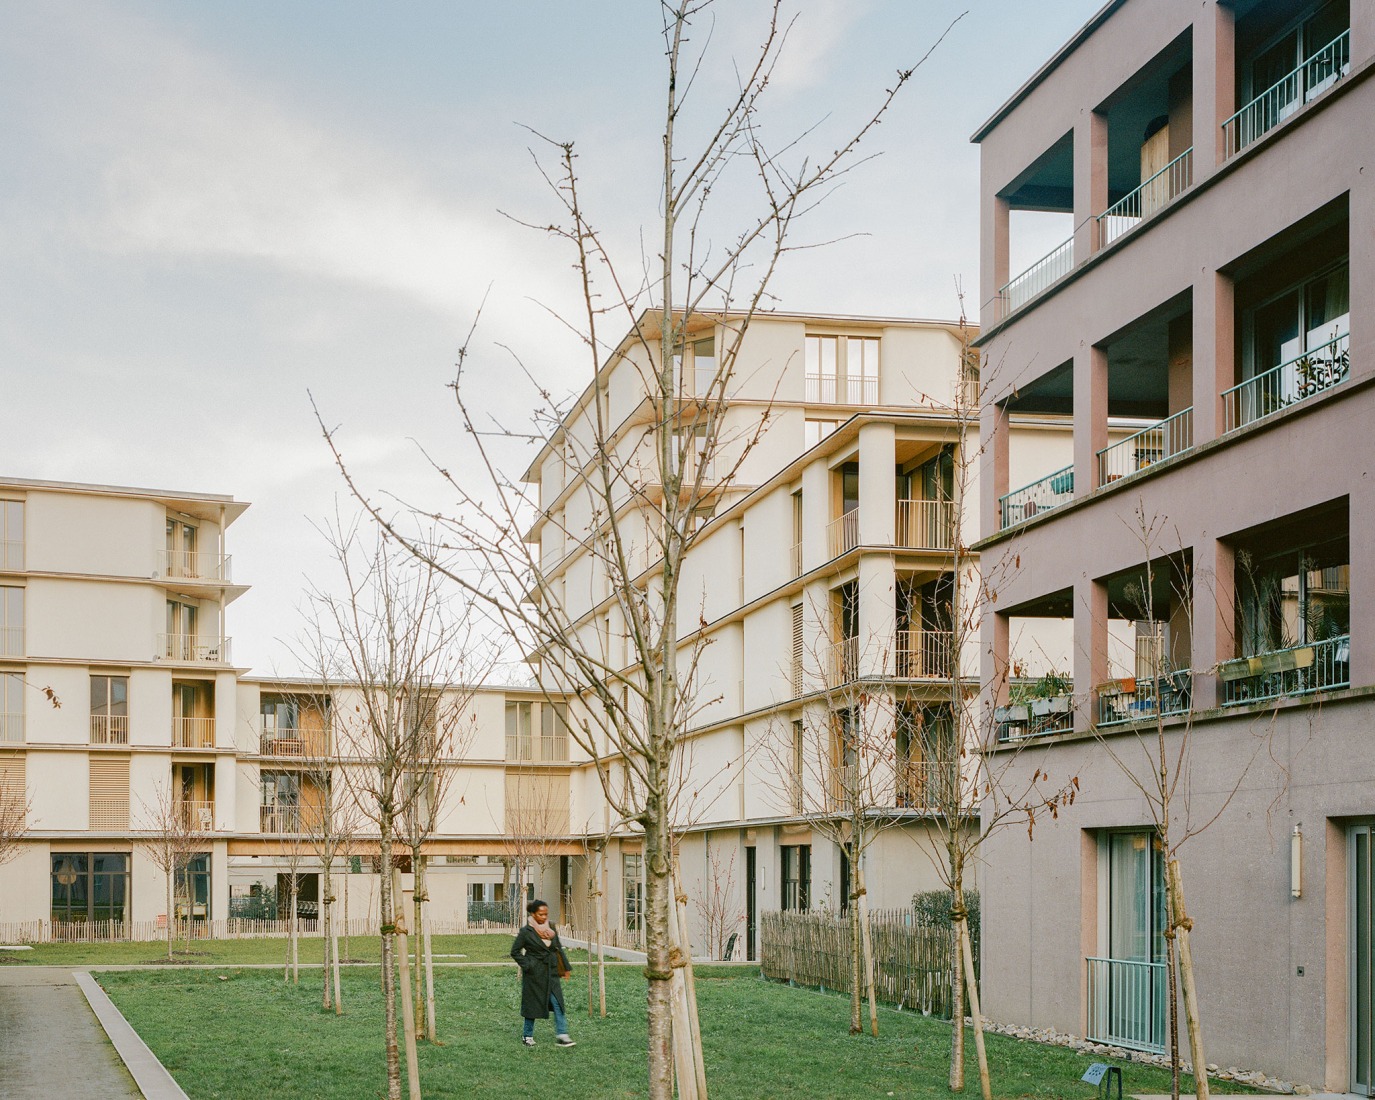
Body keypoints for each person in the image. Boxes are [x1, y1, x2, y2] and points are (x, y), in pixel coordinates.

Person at [510, 898, 575, 1047]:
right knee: (532, 1005)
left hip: (551, 972)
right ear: (533, 914)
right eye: (540, 914)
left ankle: (562, 1035)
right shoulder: (526, 932)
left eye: (546, 914)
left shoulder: (551, 928)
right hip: (534, 974)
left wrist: (565, 968)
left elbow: (557, 947)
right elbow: (515, 951)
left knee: (558, 1003)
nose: (544, 917)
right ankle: (527, 1035)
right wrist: (529, 965)